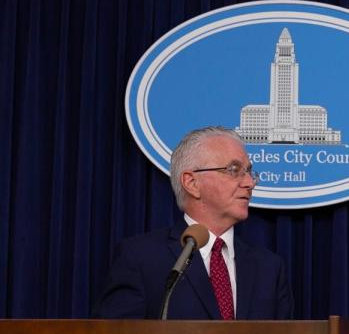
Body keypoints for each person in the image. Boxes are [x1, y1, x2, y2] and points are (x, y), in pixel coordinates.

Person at [95, 126, 294, 320]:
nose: (249, 183)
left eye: (249, 172)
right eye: (234, 170)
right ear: (192, 183)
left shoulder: (269, 268)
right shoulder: (141, 258)